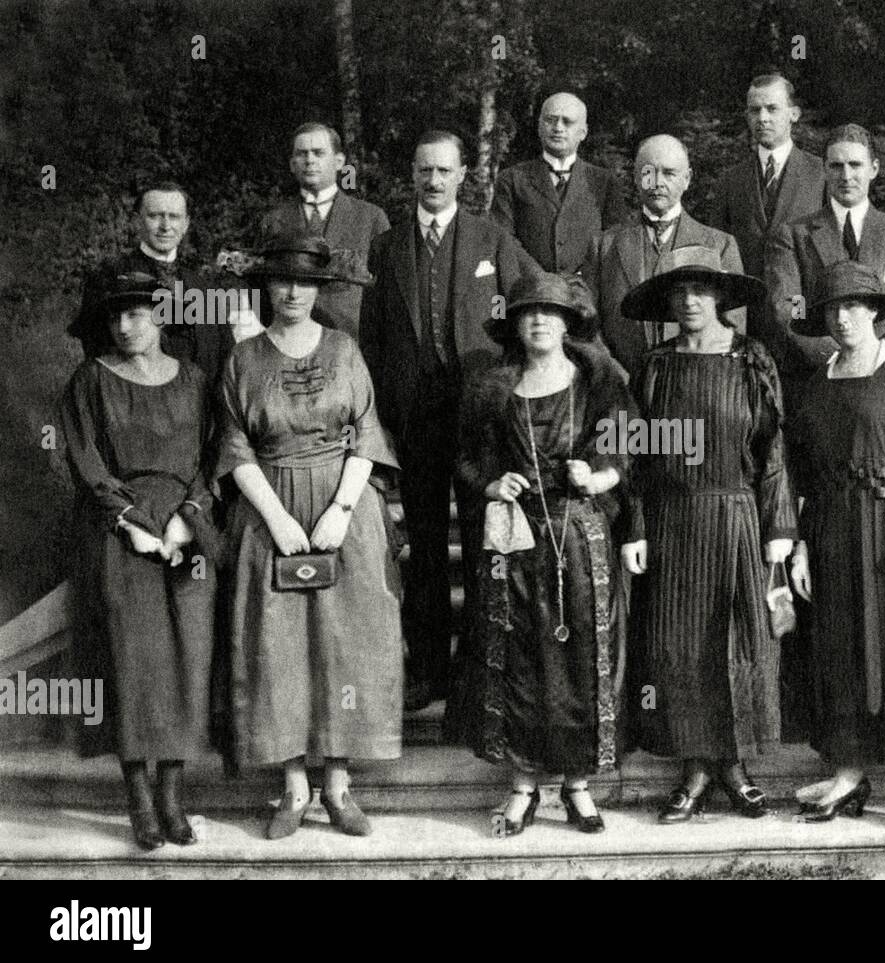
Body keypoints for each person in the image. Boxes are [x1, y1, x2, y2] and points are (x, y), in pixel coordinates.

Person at [218, 234, 402, 839]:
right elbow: (235, 446)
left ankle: (339, 785)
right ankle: (294, 787)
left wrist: (341, 509)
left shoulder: (345, 349)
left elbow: (366, 433)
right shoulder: (244, 359)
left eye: (305, 282)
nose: (293, 292)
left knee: (345, 643)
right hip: (270, 508)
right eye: (281, 281)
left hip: (342, 509)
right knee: (277, 648)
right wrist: (277, 518)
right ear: (266, 287)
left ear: (319, 289)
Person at [360, 129, 538, 711]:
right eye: (423, 170)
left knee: (489, 543)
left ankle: (481, 674)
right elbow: (373, 338)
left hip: (480, 419)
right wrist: (380, 416)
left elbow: (531, 302)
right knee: (428, 547)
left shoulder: (491, 238)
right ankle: (429, 668)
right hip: (414, 419)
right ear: (411, 175)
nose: (433, 181)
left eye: (444, 171)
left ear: (464, 175)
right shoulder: (386, 248)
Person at [618, 245, 796, 822]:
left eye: (701, 290)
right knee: (680, 646)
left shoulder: (752, 359)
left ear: (720, 296)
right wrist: (637, 527)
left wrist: (779, 526)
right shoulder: (656, 365)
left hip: (738, 517)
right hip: (672, 522)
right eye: (679, 291)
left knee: (742, 640)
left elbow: (772, 450)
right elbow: (635, 457)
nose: (690, 300)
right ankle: (694, 770)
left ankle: (735, 765)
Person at [456, 272, 637, 836]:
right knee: (521, 658)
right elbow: (463, 458)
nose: (538, 321)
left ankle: (579, 788)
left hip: (580, 537)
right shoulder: (493, 387)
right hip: (515, 542)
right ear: (514, 324)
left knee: (580, 655)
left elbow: (630, 446)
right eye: (528, 312)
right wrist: (491, 484)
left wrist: (600, 475)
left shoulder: (596, 383)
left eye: (550, 313)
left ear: (568, 324)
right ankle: (523, 787)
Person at [784, 261, 885, 826]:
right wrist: (803, 548)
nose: (844, 317)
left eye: (856, 305)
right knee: (839, 651)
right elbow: (803, 476)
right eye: (834, 308)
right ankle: (850, 773)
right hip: (831, 532)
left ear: (877, 312)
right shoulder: (816, 382)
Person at [62, 271, 219, 850]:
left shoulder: (197, 380)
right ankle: (139, 799)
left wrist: (188, 516)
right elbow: (85, 462)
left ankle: (174, 796)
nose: (125, 327)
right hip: (118, 532)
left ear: (161, 317)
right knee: (130, 661)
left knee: (187, 655)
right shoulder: (91, 381)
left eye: (137, 314)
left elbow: (212, 456)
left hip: (186, 529)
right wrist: (132, 525)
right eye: (114, 317)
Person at [766, 124, 885, 411]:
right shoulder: (793, 235)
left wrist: (875, 359)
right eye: (836, 166)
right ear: (824, 170)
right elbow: (789, 308)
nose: (846, 176)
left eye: (855, 165)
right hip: (819, 382)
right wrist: (837, 358)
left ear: (874, 168)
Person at [583, 135, 746, 382]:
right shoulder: (604, 245)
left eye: (669, 173)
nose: (657, 182)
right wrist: (613, 373)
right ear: (636, 178)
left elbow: (733, 327)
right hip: (621, 388)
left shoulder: (720, 245)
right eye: (648, 172)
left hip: (696, 384)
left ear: (687, 179)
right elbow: (587, 323)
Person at [68, 181, 235, 381]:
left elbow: (226, 361)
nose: (165, 226)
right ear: (137, 221)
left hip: (200, 407)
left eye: (174, 217)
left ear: (186, 224)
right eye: (155, 216)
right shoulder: (108, 278)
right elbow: (98, 356)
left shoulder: (205, 289)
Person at [260, 123, 391, 341]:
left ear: (339, 162)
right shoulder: (273, 221)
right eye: (302, 154)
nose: (310, 160)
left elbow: (388, 294)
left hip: (353, 344)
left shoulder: (371, 218)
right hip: (288, 343)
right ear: (292, 164)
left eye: (319, 153)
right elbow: (262, 291)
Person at [491, 92, 627, 274]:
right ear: (539, 127)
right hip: (529, 291)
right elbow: (503, 237)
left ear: (583, 132)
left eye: (567, 122)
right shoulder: (511, 179)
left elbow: (614, 239)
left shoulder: (605, 182)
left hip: (587, 293)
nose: (558, 128)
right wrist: (540, 278)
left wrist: (585, 277)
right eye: (550, 120)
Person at [710, 73, 826, 282]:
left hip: (802, 305)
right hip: (749, 306)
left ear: (794, 114)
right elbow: (717, 250)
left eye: (772, 109)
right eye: (755, 110)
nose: (762, 118)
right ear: (747, 117)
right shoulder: (730, 181)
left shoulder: (821, 174)